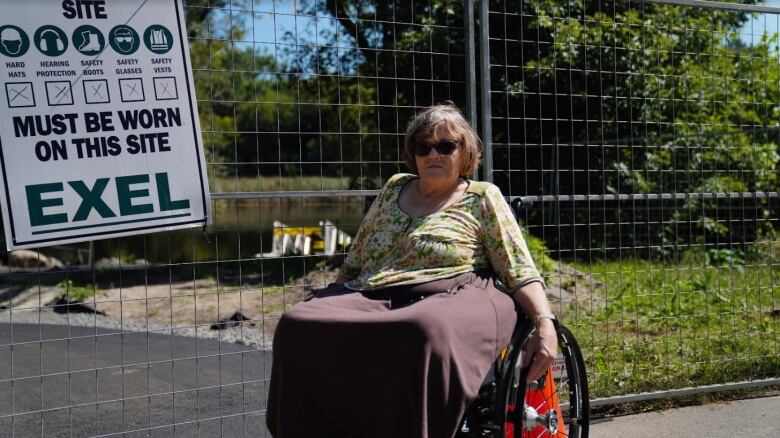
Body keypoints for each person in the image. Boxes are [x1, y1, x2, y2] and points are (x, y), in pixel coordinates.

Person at [266, 103, 558, 438]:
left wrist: (544, 324)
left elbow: (518, 266)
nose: (434, 154)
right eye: (424, 147)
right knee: (297, 324)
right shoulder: (394, 189)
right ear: (413, 153)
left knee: (423, 329)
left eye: (446, 146)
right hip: (375, 289)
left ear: (465, 153)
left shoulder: (481, 197)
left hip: (454, 290)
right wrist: (333, 304)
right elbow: (356, 259)